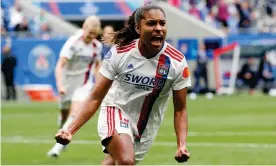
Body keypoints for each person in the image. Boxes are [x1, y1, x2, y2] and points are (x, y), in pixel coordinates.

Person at [55, 3, 191, 165]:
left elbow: (181, 109)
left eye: (162, 23)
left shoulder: (176, 62)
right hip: (116, 109)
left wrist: (181, 145)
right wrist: (70, 130)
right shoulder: (120, 53)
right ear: (138, 28)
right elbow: (95, 97)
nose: (158, 28)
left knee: (113, 162)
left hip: (146, 125)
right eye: (151, 23)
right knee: (126, 161)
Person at [47, 16, 103, 157]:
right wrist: (60, 84)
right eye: (90, 33)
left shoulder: (97, 46)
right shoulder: (73, 43)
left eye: (95, 34)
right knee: (64, 114)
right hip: (66, 84)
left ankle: (57, 148)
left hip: (83, 84)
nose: (92, 36)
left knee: (75, 113)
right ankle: (62, 132)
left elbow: (97, 66)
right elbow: (60, 65)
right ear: (84, 29)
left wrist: (98, 83)